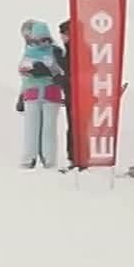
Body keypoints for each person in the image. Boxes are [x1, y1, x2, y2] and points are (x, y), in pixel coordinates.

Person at [16, 20, 64, 169]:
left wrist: (49, 71)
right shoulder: (29, 53)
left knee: (49, 129)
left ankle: (49, 159)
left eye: (46, 39)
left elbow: (61, 71)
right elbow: (24, 74)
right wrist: (21, 96)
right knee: (31, 128)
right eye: (39, 40)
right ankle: (28, 158)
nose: (43, 43)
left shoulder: (55, 52)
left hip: (50, 94)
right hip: (32, 94)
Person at [56, 20, 77, 169]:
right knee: (73, 126)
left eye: (63, 34)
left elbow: (70, 73)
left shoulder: (75, 50)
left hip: (75, 95)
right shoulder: (70, 49)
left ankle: (75, 157)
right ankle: (74, 157)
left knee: (75, 127)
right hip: (72, 94)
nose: (62, 38)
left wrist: (59, 78)